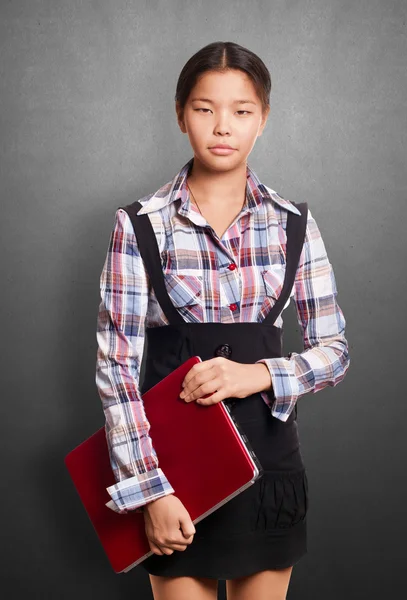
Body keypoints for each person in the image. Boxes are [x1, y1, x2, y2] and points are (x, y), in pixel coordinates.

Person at [95, 41, 350, 600]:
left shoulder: (294, 225)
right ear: (181, 115)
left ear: (263, 119)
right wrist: (149, 491)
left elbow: (334, 350)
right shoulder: (139, 226)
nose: (222, 126)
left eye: (241, 111)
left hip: (268, 466)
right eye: (205, 108)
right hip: (174, 471)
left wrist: (257, 374)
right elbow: (117, 370)